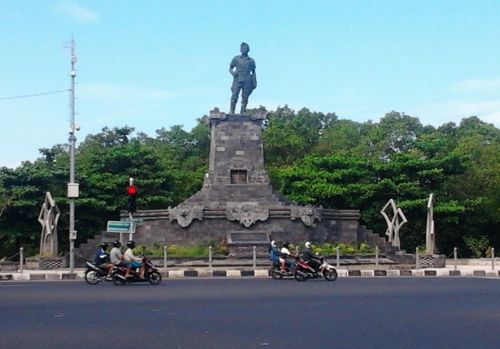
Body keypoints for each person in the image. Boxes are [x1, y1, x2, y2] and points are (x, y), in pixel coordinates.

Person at [229, 42, 257, 114]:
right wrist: (233, 73)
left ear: (248, 50)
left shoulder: (251, 61)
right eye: (243, 48)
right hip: (238, 78)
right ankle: (232, 111)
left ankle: (243, 111)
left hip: (247, 79)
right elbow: (230, 68)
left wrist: (254, 81)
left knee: (245, 97)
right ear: (240, 50)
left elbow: (253, 72)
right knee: (234, 95)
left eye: (246, 48)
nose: (244, 49)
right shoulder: (236, 58)